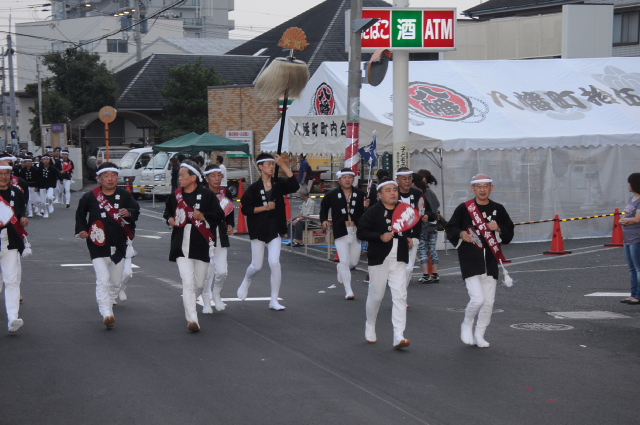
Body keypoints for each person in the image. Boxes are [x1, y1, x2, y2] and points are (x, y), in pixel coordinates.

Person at [446, 174, 514, 348]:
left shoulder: (498, 208)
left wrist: (499, 227)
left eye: (486, 186)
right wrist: (461, 233)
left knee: (488, 303)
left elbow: (509, 232)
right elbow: (451, 227)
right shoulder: (464, 208)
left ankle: (479, 334)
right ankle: (467, 323)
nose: (482, 190)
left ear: (491, 188)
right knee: (477, 299)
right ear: (473, 189)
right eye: (479, 186)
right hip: (470, 259)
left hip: (491, 260)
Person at [75, 162, 140, 329]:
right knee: (103, 278)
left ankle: (109, 303)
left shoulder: (125, 195)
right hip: (97, 243)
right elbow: (80, 214)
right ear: (99, 178)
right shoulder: (90, 196)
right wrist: (82, 230)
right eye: (106, 176)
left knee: (116, 282)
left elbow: (135, 210)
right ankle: (106, 312)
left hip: (119, 243)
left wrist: (129, 213)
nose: (110, 179)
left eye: (113, 175)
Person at [164, 160, 224, 331]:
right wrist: (170, 220)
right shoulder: (175, 196)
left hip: (201, 243)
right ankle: (192, 319)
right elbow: (167, 213)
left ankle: (189, 301)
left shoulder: (207, 195)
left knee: (198, 284)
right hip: (181, 243)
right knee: (188, 282)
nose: (179, 178)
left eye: (182, 175)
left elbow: (219, 216)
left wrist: (203, 216)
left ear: (193, 178)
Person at [237, 153, 299, 310]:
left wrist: (282, 164)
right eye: (269, 164)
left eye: (273, 164)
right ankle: (246, 280)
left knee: (274, 262)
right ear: (260, 167)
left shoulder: (278, 183)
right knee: (256, 266)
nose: (272, 167)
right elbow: (246, 209)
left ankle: (274, 300)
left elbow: (294, 186)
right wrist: (265, 207)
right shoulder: (254, 188)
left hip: (274, 228)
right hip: (258, 229)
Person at [357, 178, 412, 349]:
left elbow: (410, 226)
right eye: (388, 190)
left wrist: (409, 238)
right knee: (376, 296)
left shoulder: (404, 209)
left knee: (400, 296)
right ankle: (370, 324)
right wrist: (380, 236)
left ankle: (398, 335)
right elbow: (361, 232)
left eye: (395, 190)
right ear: (380, 195)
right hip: (379, 258)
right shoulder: (373, 211)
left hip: (399, 258)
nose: (393, 193)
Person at [320, 168, 366, 299]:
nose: (347, 180)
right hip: (340, 230)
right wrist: (324, 220)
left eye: (350, 177)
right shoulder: (332, 194)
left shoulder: (360, 194)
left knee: (354, 262)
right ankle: (348, 291)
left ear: (353, 179)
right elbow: (324, 208)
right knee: (345, 261)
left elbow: (367, 211)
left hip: (356, 231)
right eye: (344, 177)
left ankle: (340, 268)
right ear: (339, 180)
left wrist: (367, 205)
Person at [201, 164, 235, 313]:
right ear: (207, 178)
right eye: (213, 176)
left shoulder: (225, 192)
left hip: (221, 235)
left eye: (219, 175)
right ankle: (206, 299)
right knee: (208, 271)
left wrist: (230, 224)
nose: (216, 178)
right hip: (205, 235)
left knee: (222, 272)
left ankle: (216, 293)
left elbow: (230, 210)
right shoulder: (201, 193)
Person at [0, 160, 29, 332]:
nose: (3, 177)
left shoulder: (16, 192)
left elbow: (21, 212)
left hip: (10, 241)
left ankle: (13, 318)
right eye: (0, 173)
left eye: (6, 173)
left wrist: (23, 219)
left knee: (11, 280)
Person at [396, 167, 435, 287]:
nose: (407, 181)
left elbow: (429, 211)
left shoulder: (418, 194)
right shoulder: (392, 194)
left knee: (409, 268)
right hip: (397, 236)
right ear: (397, 180)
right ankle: (399, 293)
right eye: (404, 179)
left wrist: (427, 216)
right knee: (398, 267)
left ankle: (401, 292)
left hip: (414, 235)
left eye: (409, 178)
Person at [416, 170, 441, 284]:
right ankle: (435, 274)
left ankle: (426, 275)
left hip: (423, 225)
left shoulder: (420, 193)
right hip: (433, 225)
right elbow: (437, 205)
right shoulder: (430, 192)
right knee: (432, 249)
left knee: (423, 249)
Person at [619, 173, 640, 305]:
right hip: (628, 237)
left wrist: (626, 220)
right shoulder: (632, 199)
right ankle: (633, 294)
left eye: (629, 183)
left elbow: (637, 219)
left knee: (638, 268)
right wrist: (624, 220)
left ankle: (638, 295)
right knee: (631, 268)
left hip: (637, 237)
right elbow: (628, 215)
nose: (628, 185)